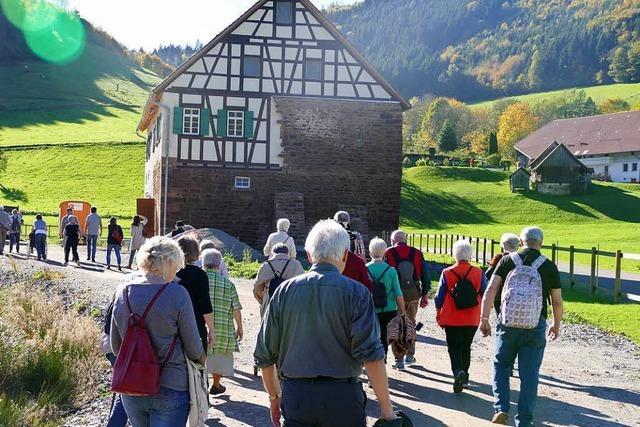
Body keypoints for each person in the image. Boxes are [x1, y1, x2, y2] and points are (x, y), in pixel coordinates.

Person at [254, 220, 398, 427]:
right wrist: (386, 408)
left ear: (310, 255)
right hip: (343, 398)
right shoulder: (357, 293)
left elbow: (265, 354)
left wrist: (274, 397)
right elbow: (371, 355)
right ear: (345, 256)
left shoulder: (284, 292)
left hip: (297, 396)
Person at [110, 236, 205, 427]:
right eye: (176, 266)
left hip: (132, 387)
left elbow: (115, 347)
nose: (177, 272)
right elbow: (194, 349)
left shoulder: (123, 292)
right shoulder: (177, 294)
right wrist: (203, 361)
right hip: (171, 386)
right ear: (168, 262)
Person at [479, 226, 563, 426]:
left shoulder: (508, 260)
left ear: (521, 241)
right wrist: (556, 324)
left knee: (501, 364)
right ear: (540, 243)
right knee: (530, 373)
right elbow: (557, 301)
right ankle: (524, 419)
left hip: (507, 323)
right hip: (535, 325)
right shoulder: (549, 266)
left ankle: (501, 408)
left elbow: (491, 289)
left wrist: (484, 318)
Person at [434, 239, 487, 393]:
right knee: (466, 346)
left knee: (454, 347)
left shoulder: (447, 272)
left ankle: (458, 372)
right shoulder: (478, 272)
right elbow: (485, 294)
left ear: (454, 254)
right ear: (470, 255)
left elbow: (439, 297)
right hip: (472, 317)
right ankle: (465, 376)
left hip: (451, 317)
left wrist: (438, 313)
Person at [384, 230, 431, 369]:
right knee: (410, 323)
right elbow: (425, 275)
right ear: (405, 240)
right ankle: (410, 356)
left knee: (396, 325)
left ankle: (399, 360)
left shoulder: (388, 252)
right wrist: (425, 293)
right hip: (413, 294)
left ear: (393, 241)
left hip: (395, 295)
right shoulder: (417, 253)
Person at [202, 248, 243, 396]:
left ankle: (203, 387)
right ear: (219, 265)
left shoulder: (199, 281)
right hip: (222, 329)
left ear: (203, 264)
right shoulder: (228, 284)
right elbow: (236, 309)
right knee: (219, 358)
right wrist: (240, 327)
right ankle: (216, 384)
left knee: (202, 358)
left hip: (202, 328)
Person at [366, 237, 406, 359]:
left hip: (371, 309)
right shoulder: (391, 270)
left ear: (370, 252)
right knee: (384, 336)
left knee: (372, 337)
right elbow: (398, 292)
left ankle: (374, 360)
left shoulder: (365, 269)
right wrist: (402, 311)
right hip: (389, 308)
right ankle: (383, 359)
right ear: (384, 252)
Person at [176, 236, 215, 356]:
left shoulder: (171, 272)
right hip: (195, 326)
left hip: (173, 326)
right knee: (198, 365)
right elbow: (205, 305)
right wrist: (212, 330)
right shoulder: (200, 275)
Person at [253, 243, 305, 317]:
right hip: (291, 302)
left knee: (269, 327)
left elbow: (257, 287)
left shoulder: (266, 265)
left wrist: (262, 300)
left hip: (270, 300)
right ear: (288, 253)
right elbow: (303, 286)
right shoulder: (296, 265)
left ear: (273, 253)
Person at [486, 233, 520, 315]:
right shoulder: (521, 258)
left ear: (504, 244)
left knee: (500, 317)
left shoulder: (499, 257)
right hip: (517, 293)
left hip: (500, 293)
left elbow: (488, 274)